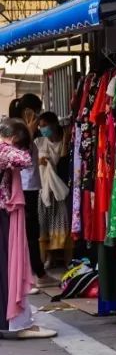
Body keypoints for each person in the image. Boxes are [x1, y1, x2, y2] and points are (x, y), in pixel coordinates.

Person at [0, 118, 55, 338]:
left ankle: (9, 322)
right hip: (2, 215)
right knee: (7, 267)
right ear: (14, 139)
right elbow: (24, 160)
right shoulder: (4, 151)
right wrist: (11, 145)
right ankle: (13, 323)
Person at [14, 94, 49, 288]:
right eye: (36, 111)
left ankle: (37, 272)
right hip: (24, 187)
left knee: (31, 230)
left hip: (30, 186)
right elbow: (21, 158)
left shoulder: (25, 129)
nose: (38, 116)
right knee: (28, 231)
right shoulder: (20, 130)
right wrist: (29, 129)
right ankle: (33, 274)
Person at [34, 112, 69, 268]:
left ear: (54, 124)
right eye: (40, 126)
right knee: (44, 224)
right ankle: (48, 258)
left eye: (44, 125)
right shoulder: (39, 142)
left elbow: (64, 165)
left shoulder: (64, 142)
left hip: (60, 190)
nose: (42, 129)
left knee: (61, 223)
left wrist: (66, 143)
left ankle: (66, 258)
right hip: (44, 190)